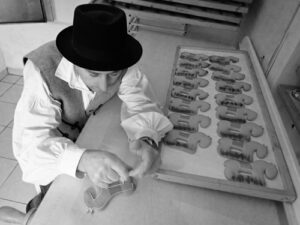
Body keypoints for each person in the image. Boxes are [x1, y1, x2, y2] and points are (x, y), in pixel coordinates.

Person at [12, 3, 173, 211]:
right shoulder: (42, 70)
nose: (105, 86)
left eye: (113, 74)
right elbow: (29, 147)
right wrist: (81, 159)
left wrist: (147, 138)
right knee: (52, 207)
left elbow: (140, 100)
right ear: (73, 61)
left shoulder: (121, 60)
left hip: (92, 143)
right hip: (52, 162)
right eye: (94, 74)